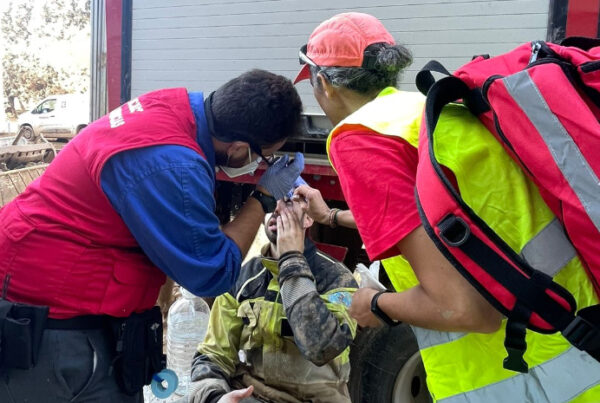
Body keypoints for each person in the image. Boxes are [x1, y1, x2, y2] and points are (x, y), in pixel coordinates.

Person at [293, 12, 600, 402]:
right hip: (580, 343)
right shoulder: (433, 110)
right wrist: (331, 217)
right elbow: (445, 221)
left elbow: (463, 310)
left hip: (517, 374)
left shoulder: (360, 139)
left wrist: (375, 304)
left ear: (323, 84)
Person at [0, 69, 305, 402]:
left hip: (61, 276)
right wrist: (263, 196)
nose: (261, 165)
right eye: (263, 157)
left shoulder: (175, 107)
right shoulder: (172, 165)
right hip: (48, 311)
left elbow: (191, 230)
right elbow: (213, 273)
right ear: (237, 148)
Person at [186, 195, 358, 403]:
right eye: (272, 201)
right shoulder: (244, 278)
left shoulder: (338, 280)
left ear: (308, 220)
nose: (276, 208)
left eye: (288, 201)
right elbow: (212, 355)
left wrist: (291, 260)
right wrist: (215, 398)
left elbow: (321, 348)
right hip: (252, 395)